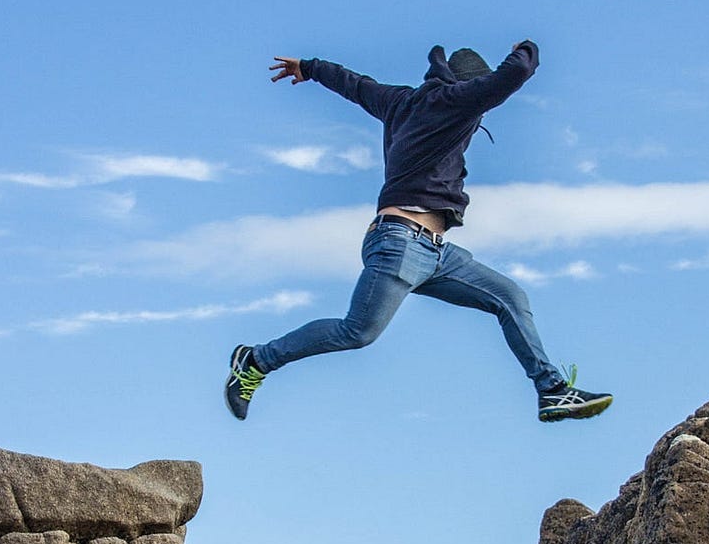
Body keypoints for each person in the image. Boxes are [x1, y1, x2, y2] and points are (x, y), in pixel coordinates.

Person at [225, 41, 613, 423]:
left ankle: (552, 391)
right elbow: (516, 72)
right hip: (400, 243)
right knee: (357, 331)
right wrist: (528, 47)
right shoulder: (457, 101)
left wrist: (309, 67)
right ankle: (257, 359)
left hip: (434, 252)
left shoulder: (400, 101)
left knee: (509, 297)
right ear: (468, 88)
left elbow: (355, 84)